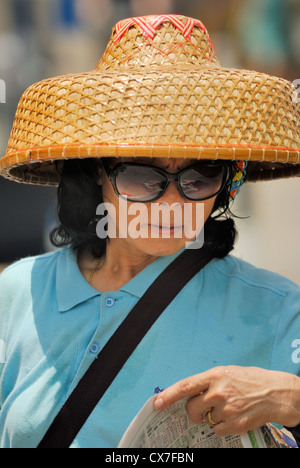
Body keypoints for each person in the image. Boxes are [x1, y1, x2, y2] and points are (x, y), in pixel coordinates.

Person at [0, 14, 300, 449]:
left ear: (227, 187)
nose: (174, 205)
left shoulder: (276, 310)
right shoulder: (16, 293)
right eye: (143, 176)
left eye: (200, 177)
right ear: (94, 176)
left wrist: (289, 396)